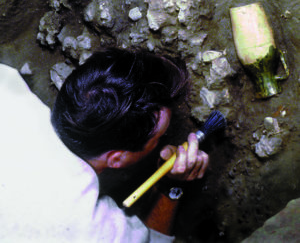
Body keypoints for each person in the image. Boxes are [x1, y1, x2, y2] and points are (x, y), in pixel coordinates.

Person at [0, 48, 209, 242]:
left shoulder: (6, 84)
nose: (162, 141)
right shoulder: (93, 229)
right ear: (117, 158)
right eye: (159, 138)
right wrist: (171, 186)